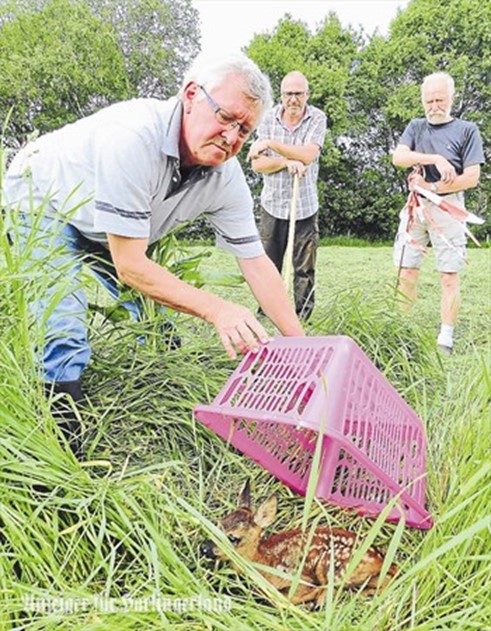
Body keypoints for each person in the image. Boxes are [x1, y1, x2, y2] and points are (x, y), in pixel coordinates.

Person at [3, 54, 303, 456]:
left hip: (104, 223)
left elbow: (255, 263)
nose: (232, 137)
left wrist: (303, 349)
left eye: (244, 130)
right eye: (226, 118)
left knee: (154, 321)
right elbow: (130, 266)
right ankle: (58, 454)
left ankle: (165, 398)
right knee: (62, 327)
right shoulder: (133, 137)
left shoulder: (225, 178)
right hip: (43, 199)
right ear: (192, 95)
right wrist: (218, 310)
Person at [392, 72, 484, 354]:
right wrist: (433, 158)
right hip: (416, 207)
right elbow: (399, 157)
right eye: (429, 100)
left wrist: (432, 184)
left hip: (448, 207)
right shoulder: (416, 127)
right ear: (422, 100)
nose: (434, 105)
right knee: (406, 270)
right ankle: (399, 329)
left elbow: (472, 177)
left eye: (439, 99)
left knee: (448, 275)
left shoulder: (467, 130)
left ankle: (446, 336)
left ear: (451, 98)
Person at [247, 71, 327, 320]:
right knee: (268, 263)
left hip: (304, 206)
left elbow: (308, 155)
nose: (293, 99)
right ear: (281, 95)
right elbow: (257, 165)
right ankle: (267, 312)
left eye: (298, 94)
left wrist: (271, 145)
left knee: (304, 266)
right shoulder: (268, 118)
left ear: (307, 95)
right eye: (288, 94)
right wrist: (285, 162)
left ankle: (302, 315)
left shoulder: (317, 118)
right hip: (273, 205)